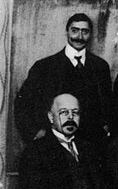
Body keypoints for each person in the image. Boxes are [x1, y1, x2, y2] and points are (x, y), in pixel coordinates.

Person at [15, 13, 112, 145]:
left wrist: (104, 129)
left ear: (90, 35)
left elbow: (107, 104)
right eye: (74, 31)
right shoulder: (44, 66)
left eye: (85, 32)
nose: (79, 37)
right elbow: (22, 104)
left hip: (91, 144)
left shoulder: (100, 66)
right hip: (53, 143)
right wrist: (35, 133)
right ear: (67, 32)